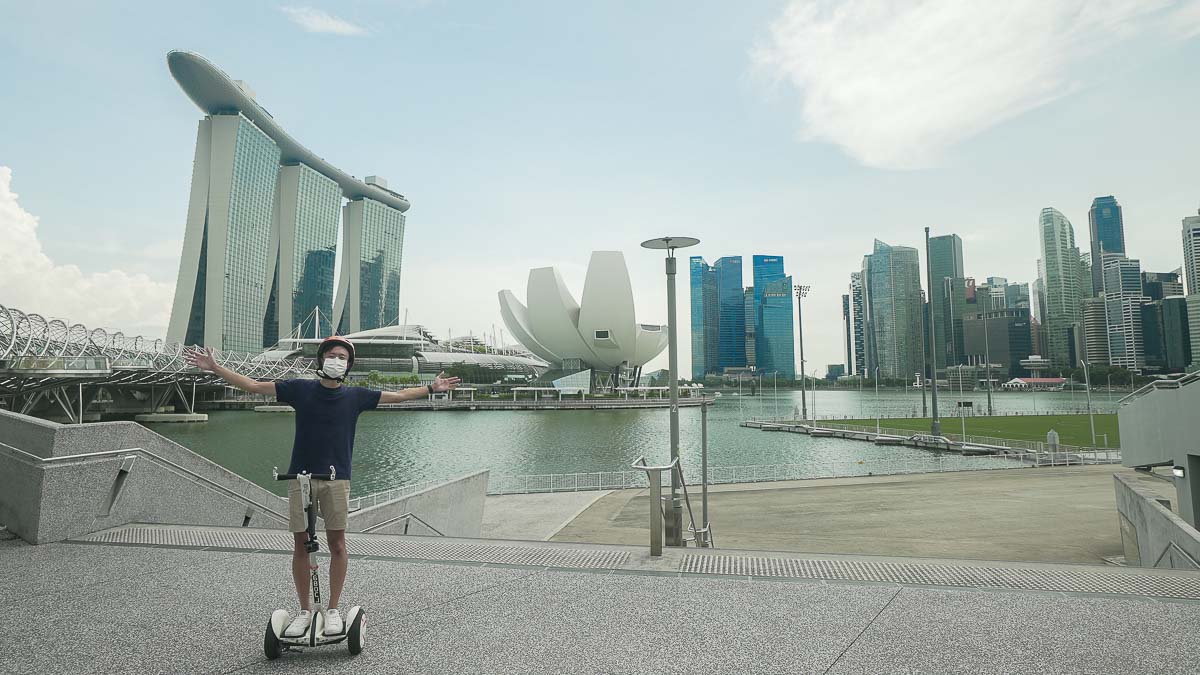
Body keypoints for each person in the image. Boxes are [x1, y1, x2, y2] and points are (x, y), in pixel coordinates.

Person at [184, 336, 460, 638]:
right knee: (301, 545)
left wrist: (432, 388)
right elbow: (252, 386)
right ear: (321, 360)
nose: (337, 360)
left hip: (337, 479)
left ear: (348, 365)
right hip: (299, 478)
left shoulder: (356, 396)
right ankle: (304, 610)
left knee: (338, 544)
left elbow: (399, 396)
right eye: (332, 355)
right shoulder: (300, 390)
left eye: (343, 357)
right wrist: (214, 367)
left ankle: (332, 610)